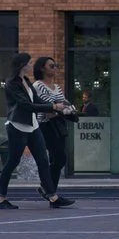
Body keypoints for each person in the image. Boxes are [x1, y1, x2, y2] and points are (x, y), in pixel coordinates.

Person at [0, 51, 66, 209]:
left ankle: (53, 197)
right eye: (28, 63)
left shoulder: (26, 81)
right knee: (12, 162)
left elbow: (37, 100)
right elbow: (26, 105)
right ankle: (1, 198)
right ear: (21, 65)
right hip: (17, 126)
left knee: (42, 161)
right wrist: (52, 106)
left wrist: (54, 106)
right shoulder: (12, 84)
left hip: (33, 126)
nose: (30, 66)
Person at [32, 57, 77, 201]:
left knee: (57, 159)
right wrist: (60, 107)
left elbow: (63, 103)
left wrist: (65, 108)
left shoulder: (56, 87)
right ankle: (48, 189)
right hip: (45, 125)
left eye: (55, 65)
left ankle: (51, 192)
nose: (55, 68)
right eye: (51, 66)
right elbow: (47, 107)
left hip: (58, 125)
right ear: (42, 68)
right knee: (59, 158)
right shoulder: (38, 85)